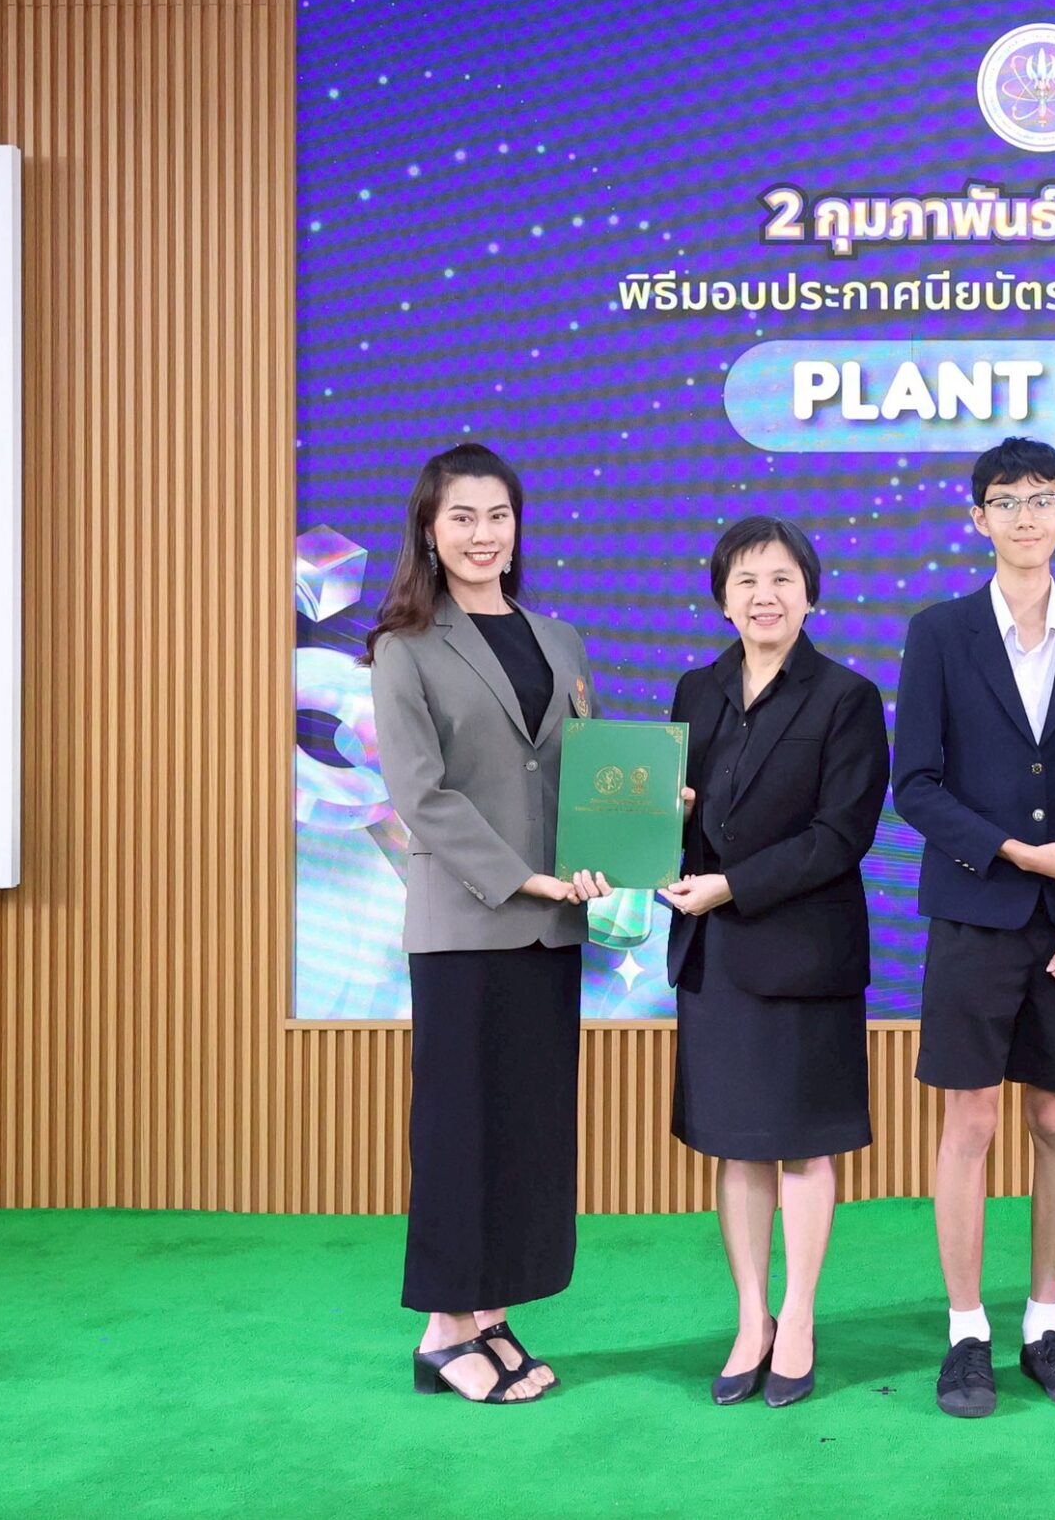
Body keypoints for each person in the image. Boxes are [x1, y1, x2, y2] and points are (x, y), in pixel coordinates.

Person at [891, 437, 1055, 1418]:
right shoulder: (940, 632)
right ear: (977, 518)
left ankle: (1044, 1324)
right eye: (1006, 500)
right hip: (975, 912)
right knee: (972, 1120)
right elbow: (915, 785)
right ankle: (966, 1332)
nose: (1025, 516)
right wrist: (1020, 854)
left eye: (1042, 499)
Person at [363, 442, 608, 1403]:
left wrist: (642, 810)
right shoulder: (404, 645)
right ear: (430, 530)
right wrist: (523, 877)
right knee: (458, 1130)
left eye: (497, 515)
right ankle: (441, 1330)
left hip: (552, 930)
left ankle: (492, 1313)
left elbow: (583, 774)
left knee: (527, 1131)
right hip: (466, 927)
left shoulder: (559, 638)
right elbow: (420, 796)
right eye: (462, 516)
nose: (482, 534)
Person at [661, 517, 889, 1408]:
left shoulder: (847, 697)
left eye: (783, 579)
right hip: (715, 956)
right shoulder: (696, 690)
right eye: (747, 580)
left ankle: (798, 1317)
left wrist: (731, 885)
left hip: (803, 955)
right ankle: (750, 1317)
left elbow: (841, 835)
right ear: (723, 597)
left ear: (810, 594)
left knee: (802, 1146)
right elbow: (677, 817)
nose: (765, 596)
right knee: (737, 1146)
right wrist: (668, 821)